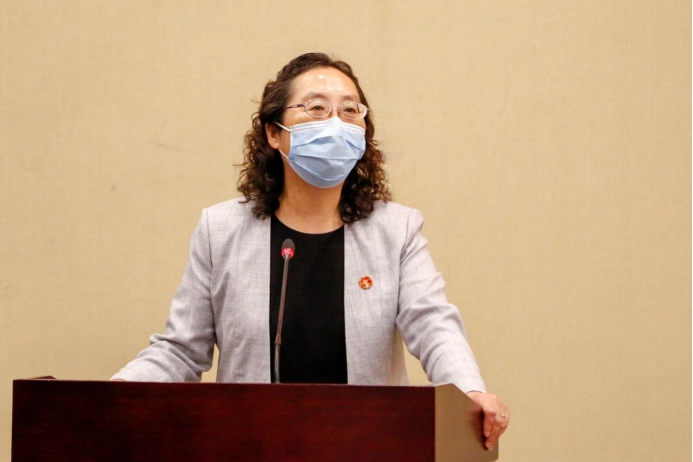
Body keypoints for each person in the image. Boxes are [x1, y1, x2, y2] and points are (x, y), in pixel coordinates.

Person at [112, 52, 509, 450]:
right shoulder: (221, 229)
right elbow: (182, 351)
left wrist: (469, 391)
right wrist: (113, 395)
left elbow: (433, 325)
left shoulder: (395, 230)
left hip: (365, 447)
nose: (336, 122)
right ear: (274, 132)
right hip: (251, 447)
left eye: (350, 110)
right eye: (317, 108)